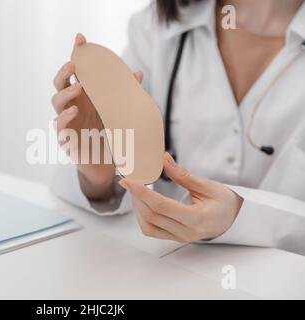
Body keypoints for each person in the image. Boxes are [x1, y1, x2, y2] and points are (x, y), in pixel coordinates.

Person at [50, 0, 305, 255]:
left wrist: (243, 216)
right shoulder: (157, 28)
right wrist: (100, 173)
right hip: (167, 272)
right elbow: (115, 179)